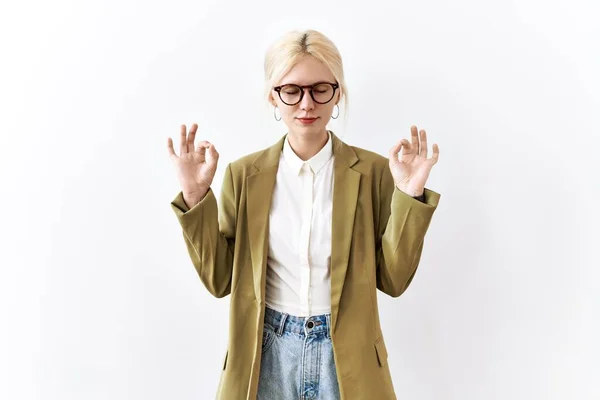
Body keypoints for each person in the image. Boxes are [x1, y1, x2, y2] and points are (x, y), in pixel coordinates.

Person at [167, 29, 440, 400]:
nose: (307, 104)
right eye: (292, 90)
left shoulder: (376, 172)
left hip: (345, 356)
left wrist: (409, 194)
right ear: (273, 97)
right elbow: (219, 280)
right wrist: (195, 195)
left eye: (320, 89)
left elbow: (393, 280)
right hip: (266, 354)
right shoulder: (244, 174)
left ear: (337, 93)